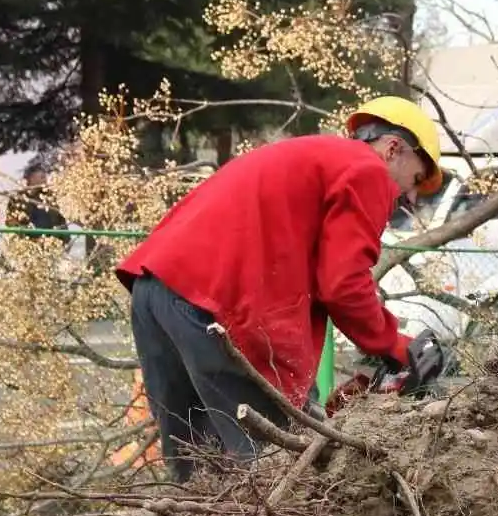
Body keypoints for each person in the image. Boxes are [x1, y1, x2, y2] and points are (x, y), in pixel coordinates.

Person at [115, 97, 448, 482]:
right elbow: (343, 283)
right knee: (281, 468)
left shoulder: (310, 156)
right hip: (215, 304)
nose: (410, 197)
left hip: (155, 287)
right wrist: (392, 344)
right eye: (418, 179)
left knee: (197, 473)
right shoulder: (367, 170)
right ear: (394, 149)